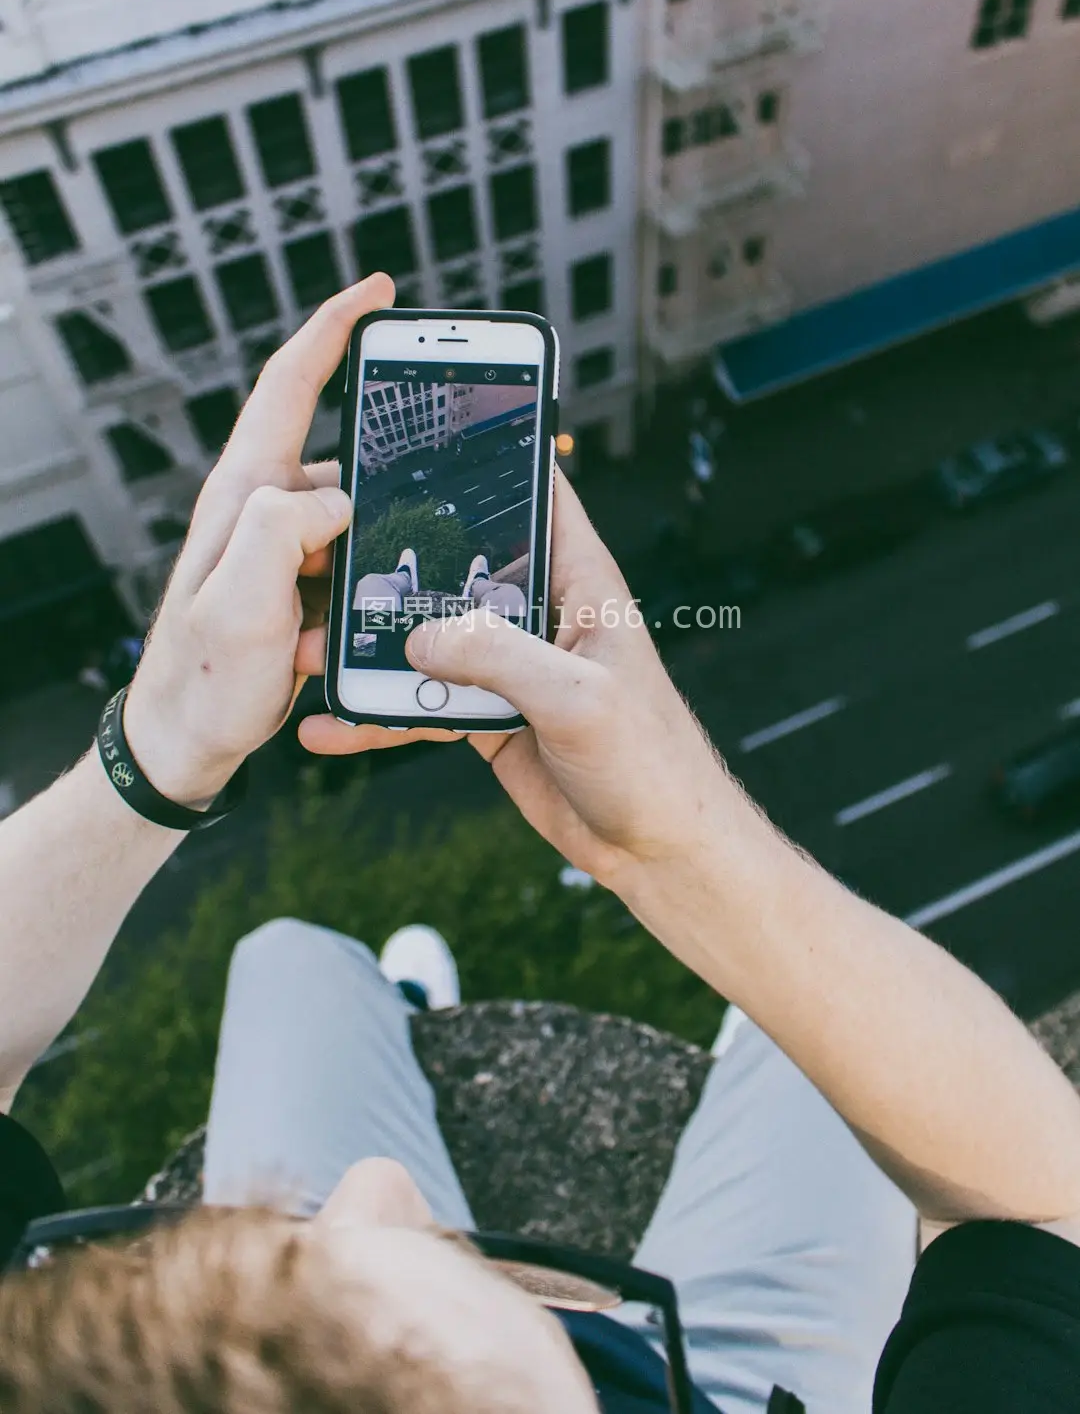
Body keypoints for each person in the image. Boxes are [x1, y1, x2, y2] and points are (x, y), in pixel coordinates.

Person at [2, 274, 1080, 1413]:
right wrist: (673, 846)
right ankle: (406, 1021)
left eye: (302, 1265)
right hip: (737, 1375)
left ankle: (400, 1006)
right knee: (816, 1040)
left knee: (286, 954)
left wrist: (165, 738)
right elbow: (1037, 1205)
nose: (371, 1193)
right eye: (444, 1330)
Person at [353, 549, 526, 620]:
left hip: (384, 667)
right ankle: (477, 584)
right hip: (480, 679)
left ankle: (404, 579)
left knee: (371, 584)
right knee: (509, 595)